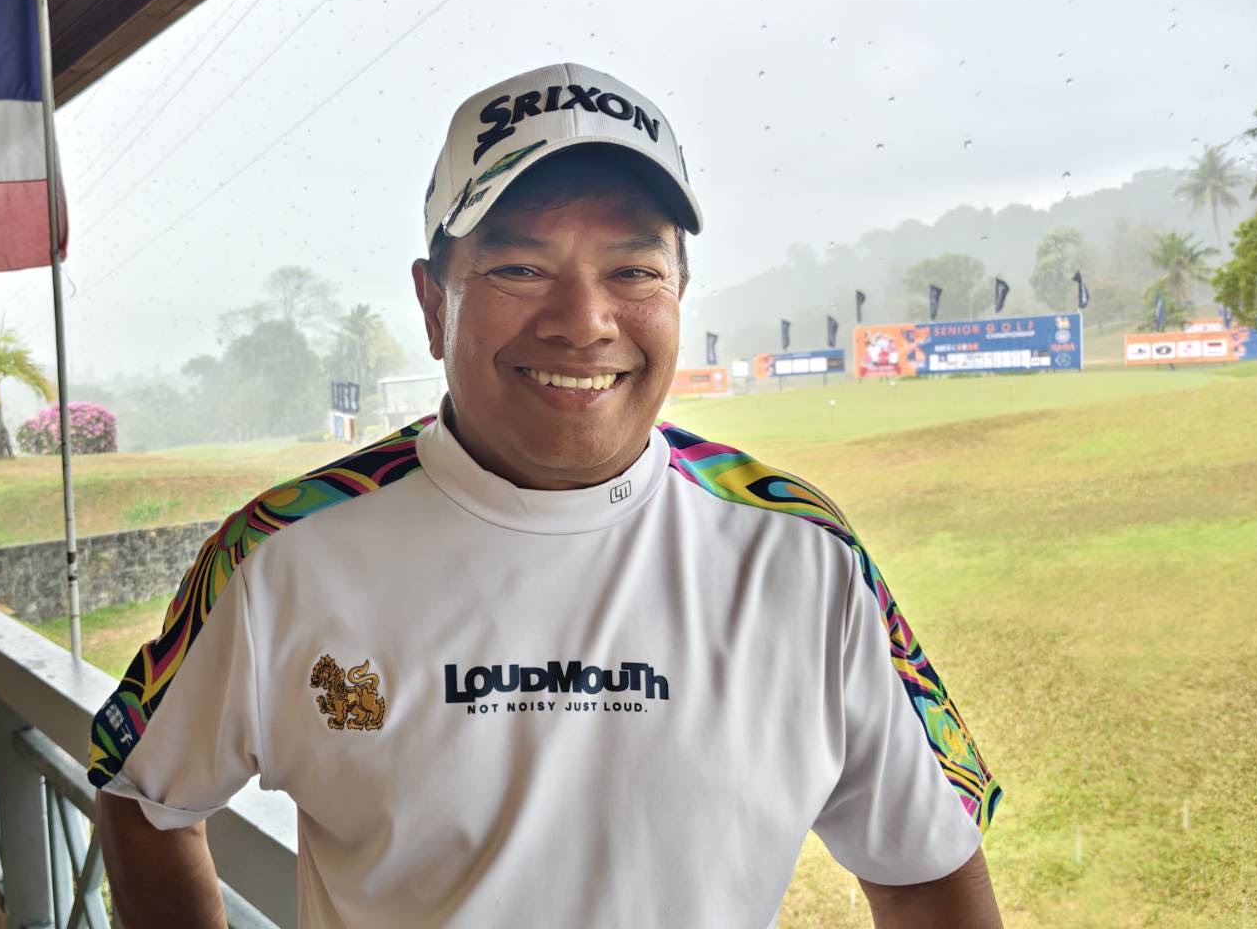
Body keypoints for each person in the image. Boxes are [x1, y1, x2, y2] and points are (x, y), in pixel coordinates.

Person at [88, 62, 1004, 928]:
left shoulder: (802, 557)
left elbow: (926, 870)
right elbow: (142, 798)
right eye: (520, 269)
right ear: (434, 303)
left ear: (680, 290)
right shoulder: (279, 555)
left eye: (633, 271)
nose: (583, 322)